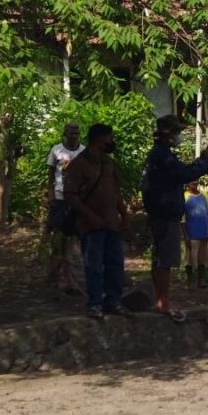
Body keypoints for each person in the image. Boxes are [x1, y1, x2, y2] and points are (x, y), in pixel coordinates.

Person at [142, 115, 208, 323]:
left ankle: (161, 299)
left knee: (160, 259)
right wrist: (205, 161)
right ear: (167, 135)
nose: (179, 136)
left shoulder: (159, 155)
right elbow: (183, 173)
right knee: (164, 259)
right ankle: (163, 301)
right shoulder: (162, 157)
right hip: (165, 214)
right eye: (177, 132)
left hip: (161, 213)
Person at [65, 123, 132, 320]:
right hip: (91, 226)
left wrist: (124, 214)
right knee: (93, 266)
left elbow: (115, 192)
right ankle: (94, 303)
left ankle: (113, 301)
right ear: (98, 139)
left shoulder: (108, 163)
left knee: (115, 264)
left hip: (111, 224)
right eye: (108, 138)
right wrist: (90, 217)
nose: (111, 142)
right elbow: (71, 196)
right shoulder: (79, 164)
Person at [44, 122, 84, 295]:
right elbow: (51, 172)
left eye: (76, 132)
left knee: (74, 238)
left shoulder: (84, 151)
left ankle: (71, 278)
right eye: (71, 132)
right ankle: (54, 274)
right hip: (60, 198)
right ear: (64, 133)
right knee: (57, 237)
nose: (74, 135)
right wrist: (50, 193)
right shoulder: (56, 150)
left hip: (78, 199)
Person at [184, 181, 208, 289]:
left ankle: (201, 280)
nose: (195, 183)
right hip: (191, 233)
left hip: (203, 232)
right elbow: (182, 219)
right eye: (192, 181)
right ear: (187, 183)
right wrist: (185, 235)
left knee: (202, 258)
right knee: (189, 259)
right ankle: (189, 281)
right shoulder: (184, 197)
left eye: (196, 180)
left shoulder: (204, 194)